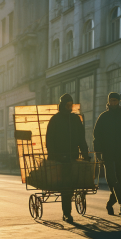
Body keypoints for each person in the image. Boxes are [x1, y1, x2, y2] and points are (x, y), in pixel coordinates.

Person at [46, 93, 89, 223]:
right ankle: (67, 213)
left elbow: (81, 139)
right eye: (67, 104)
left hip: (72, 156)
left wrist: (85, 154)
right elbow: (50, 139)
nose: (70, 107)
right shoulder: (55, 120)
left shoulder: (75, 119)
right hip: (60, 157)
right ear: (63, 105)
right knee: (66, 186)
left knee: (70, 185)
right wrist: (52, 154)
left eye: (71, 104)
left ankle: (67, 211)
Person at [93, 92, 121, 216]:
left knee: (120, 180)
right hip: (107, 154)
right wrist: (98, 154)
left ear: (118, 102)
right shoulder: (103, 117)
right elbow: (97, 137)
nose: (113, 103)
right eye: (111, 101)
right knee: (111, 179)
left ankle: (110, 203)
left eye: (115, 101)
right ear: (108, 102)